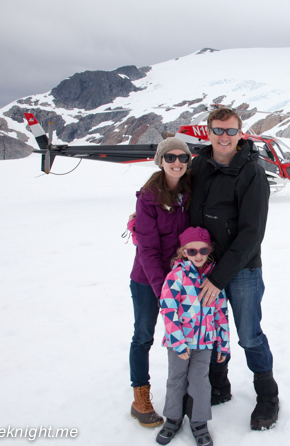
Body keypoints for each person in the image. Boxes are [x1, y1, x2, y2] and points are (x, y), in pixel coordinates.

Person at [190, 107, 279, 430]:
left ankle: (267, 394)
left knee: (249, 335)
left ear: (240, 133)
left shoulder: (251, 172)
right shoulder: (198, 165)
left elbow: (252, 233)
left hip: (242, 269)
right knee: (211, 331)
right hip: (204, 266)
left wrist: (218, 277)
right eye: (217, 130)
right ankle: (218, 385)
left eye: (230, 131)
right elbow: (175, 195)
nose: (223, 137)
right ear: (208, 132)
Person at [128, 138, 192, 428]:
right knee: (143, 335)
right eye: (170, 157)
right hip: (147, 279)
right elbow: (148, 250)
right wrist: (162, 290)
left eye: (183, 157)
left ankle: (186, 392)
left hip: (183, 278)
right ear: (160, 160)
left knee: (185, 335)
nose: (177, 162)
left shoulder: (191, 190)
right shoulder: (149, 197)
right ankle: (140, 396)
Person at [156, 227, 229, 446]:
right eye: (192, 251)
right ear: (183, 252)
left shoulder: (215, 279)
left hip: (204, 343)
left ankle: (199, 422)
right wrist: (178, 342)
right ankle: (173, 418)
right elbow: (168, 309)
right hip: (178, 343)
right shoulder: (176, 276)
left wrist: (223, 344)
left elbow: (221, 313)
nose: (198, 255)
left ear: (210, 250)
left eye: (203, 250)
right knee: (176, 380)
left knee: (200, 382)